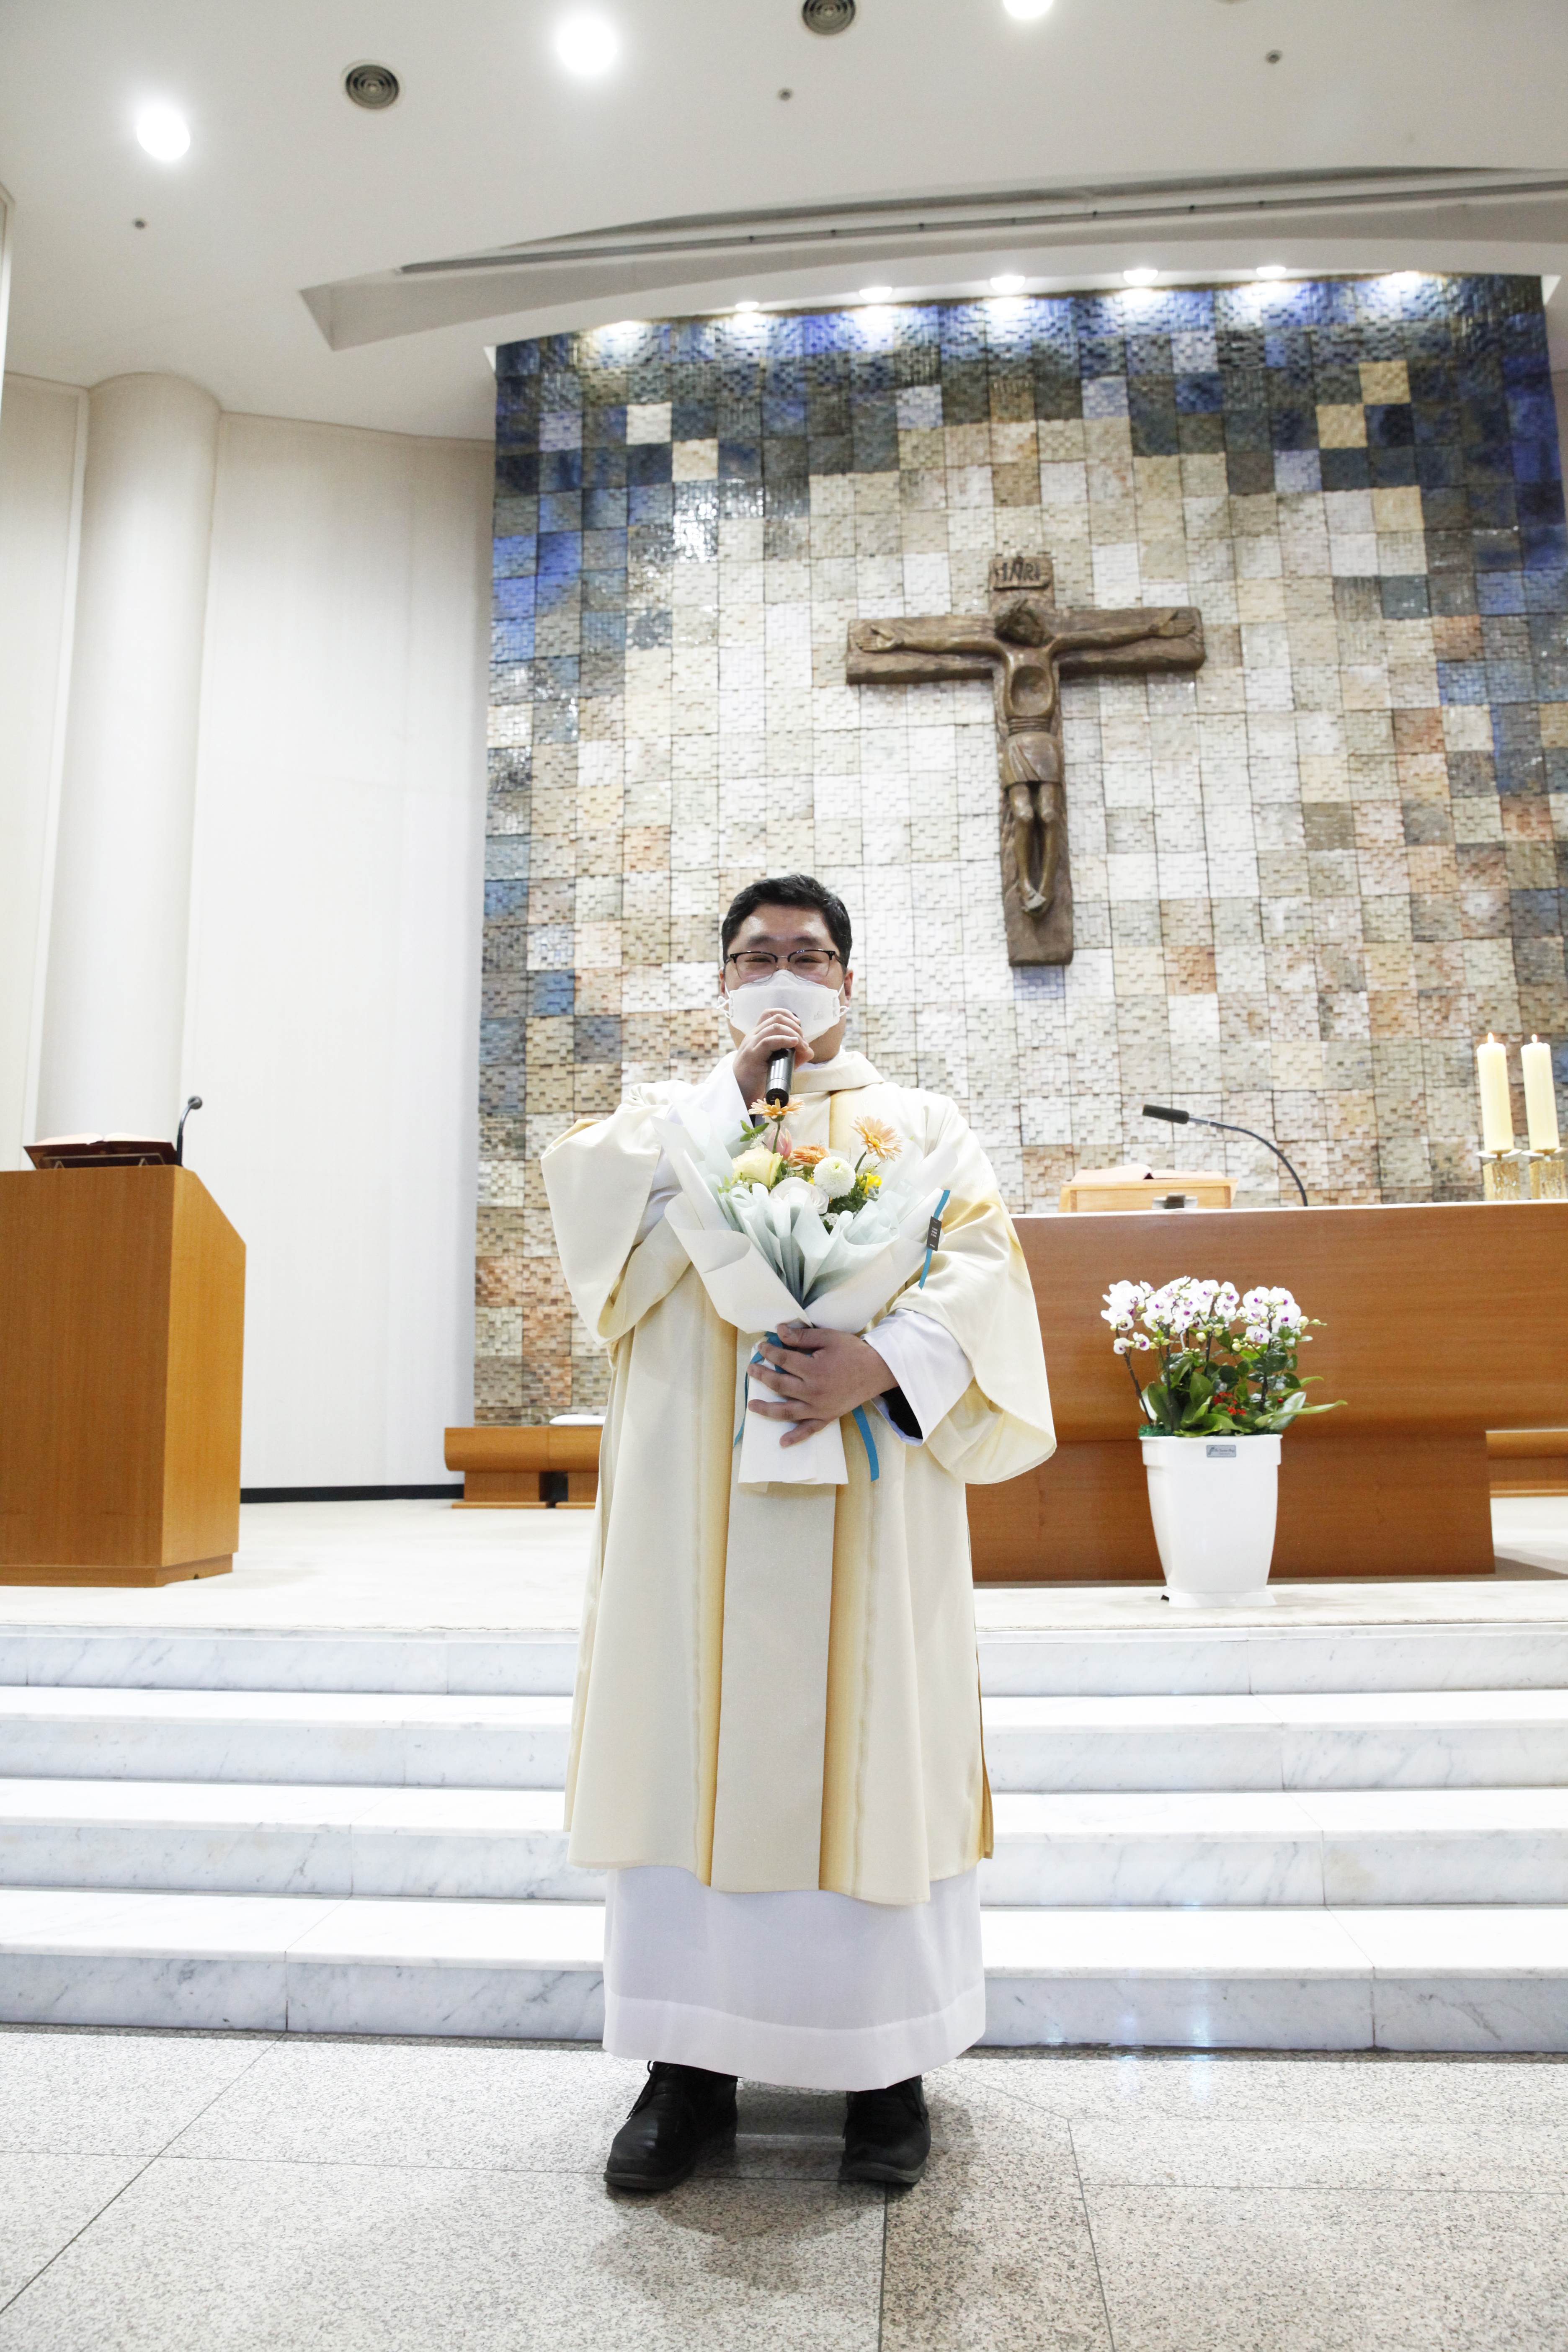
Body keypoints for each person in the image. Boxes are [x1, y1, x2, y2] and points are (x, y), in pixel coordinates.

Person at [541, 874, 1054, 2192]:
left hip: (866, 1499)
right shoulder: (669, 1124)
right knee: (686, 1745)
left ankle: (886, 2071)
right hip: (692, 1510)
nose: (783, 975)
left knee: (873, 1749)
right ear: (722, 984)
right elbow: (595, 1235)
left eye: (809, 956)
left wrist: (881, 1364)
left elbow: (983, 1271)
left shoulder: (920, 1126)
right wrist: (731, 1102)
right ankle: (685, 2070)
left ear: (847, 981)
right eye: (757, 956)